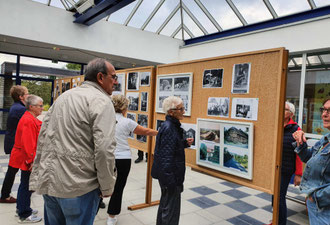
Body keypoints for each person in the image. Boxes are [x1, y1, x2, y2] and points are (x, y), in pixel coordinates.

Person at [29, 58, 118, 225]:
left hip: (51, 183)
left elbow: (43, 137)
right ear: (100, 77)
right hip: (78, 187)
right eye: (113, 77)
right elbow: (104, 149)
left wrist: (38, 174)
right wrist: (107, 187)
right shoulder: (101, 101)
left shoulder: (64, 97)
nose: (116, 82)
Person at [107, 94, 158, 225]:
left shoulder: (104, 119)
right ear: (124, 108)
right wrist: (159, 132)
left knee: (98, 185)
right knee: (118, 187)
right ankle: (111, 217)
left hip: (106, 157)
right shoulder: (127, 122)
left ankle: (92, 211)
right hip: (123, 159)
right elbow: (145, 131)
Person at [151, 96, 193, 225]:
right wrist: (170, 181)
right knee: (170, 210)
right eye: (181, 109)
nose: (184, 112)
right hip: (170, 176)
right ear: (171, 112)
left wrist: (184, 143)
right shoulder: (170, 128)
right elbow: (165, 157)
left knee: (166, 206)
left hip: (169, 175)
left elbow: (170, 148)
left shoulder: (169, 126)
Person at [292, 97, 330, 225]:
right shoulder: (325, 139)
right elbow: (308, 157)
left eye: (329, 111)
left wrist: (315, 197)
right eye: (323, 110)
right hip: (318, 207)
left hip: (325, 210)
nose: (324, 114)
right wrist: (300, 143)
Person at [266, 102, 303, 225]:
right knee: (274, 195)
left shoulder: (296, 129)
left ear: (291, 114)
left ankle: (280, 223)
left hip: (285, 169)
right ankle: (275, 220)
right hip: (274, 168)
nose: (282, 110)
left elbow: (299, 153)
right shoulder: (275, 125)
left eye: (285, 109)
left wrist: (298, 174)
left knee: (279, 197)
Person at [8, 95, 43, 223]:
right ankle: (24, 213)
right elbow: (28, 144)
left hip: (25, 157)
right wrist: (31, 161)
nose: (42, 108)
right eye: (40, 106)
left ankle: (22, 208)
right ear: (31, 107)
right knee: (27, 185)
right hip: (27, 158)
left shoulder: (30, 118)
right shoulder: (28, 120)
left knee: (26, 184)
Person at [0, 85, 29, 204]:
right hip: (16, 145)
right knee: (13, 170)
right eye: (27, 94)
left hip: (13, 143)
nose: (28, 95)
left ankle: (5, 194)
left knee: (13, 170)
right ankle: (6, 196)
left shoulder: (18, 107)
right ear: (21, 97)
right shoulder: (20, 109)